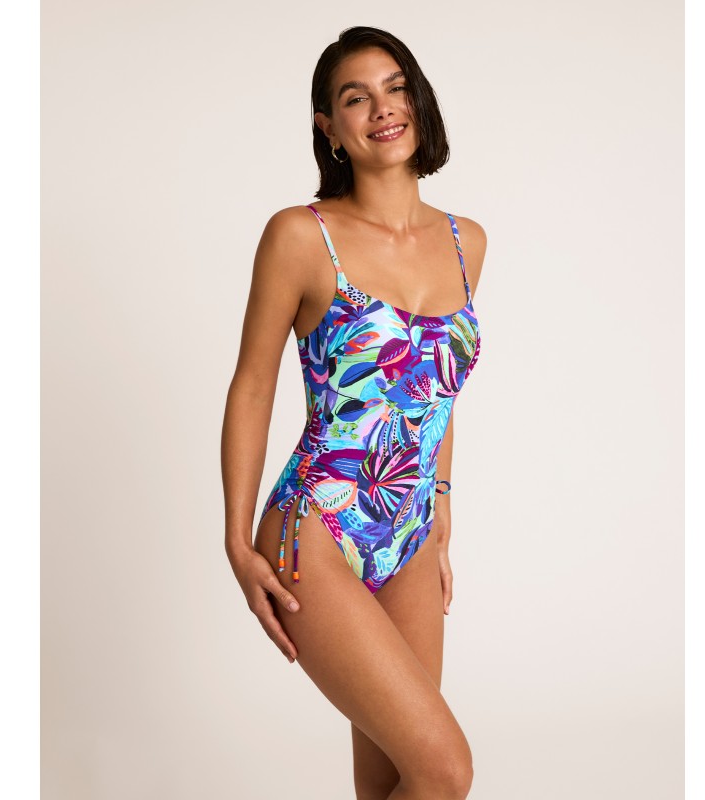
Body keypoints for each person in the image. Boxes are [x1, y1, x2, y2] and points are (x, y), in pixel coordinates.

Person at [221, 26, 486, 800]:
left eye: (396, 88)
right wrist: (236, 540)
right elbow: (252, 386)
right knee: (444, 770)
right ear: (328, 128)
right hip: (317, 528)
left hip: (411, 530)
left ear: (419, 101)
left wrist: (440, 502)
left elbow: (435, 388)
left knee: (398, 781)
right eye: (355, 97)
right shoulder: (301, 236)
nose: (383, 108)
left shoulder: (466, 242)